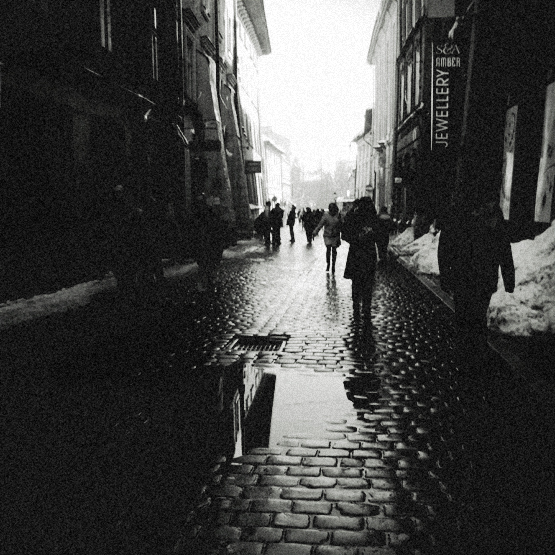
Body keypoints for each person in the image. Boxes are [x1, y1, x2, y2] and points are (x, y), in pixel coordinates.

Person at [437, 198, 515, 371]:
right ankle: (475, 355)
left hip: (465, 276)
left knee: (465, 316)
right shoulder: (492, 213)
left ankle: (466, 354)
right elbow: (504, 248)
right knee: (477, 317)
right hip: (481, 277)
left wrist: (445, 274)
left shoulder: (460, 212)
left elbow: (445, 246)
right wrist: (508, 278)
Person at [341, 197, 379, 317]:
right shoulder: (372, 217)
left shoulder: (354, 216)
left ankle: (356, 305)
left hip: (356, 253)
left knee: (357, 281)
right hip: (368, 254)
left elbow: (344, 233)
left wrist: (355, 239)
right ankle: (366, 306)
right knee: (368, 281)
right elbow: (380, 235)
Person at [192, 194, 230, 292]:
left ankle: (206, 283)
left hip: (208, 244)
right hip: (208, 244)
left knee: (206, 264)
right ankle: (207, 283)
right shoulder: (208, 214)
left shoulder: (205, 214)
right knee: (208, 264)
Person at [312, 202, 342, 273]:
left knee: (334, 250)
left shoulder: (338, 215)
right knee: (328, 249)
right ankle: (328, 263)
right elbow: (320, 224)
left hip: (335, 235)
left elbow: (341, 225)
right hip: (327, 235)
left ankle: (333, 265)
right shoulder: (326, 215)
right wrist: (315, 232)